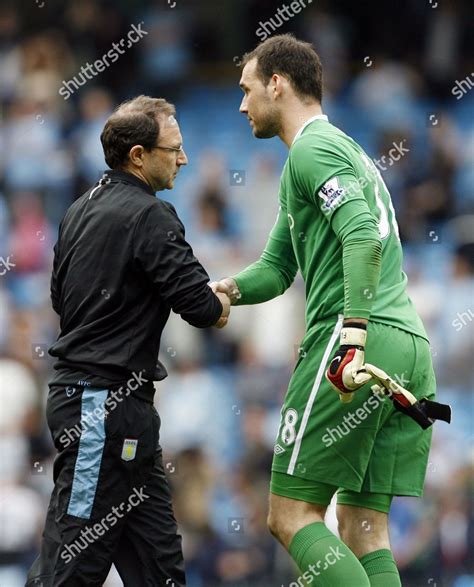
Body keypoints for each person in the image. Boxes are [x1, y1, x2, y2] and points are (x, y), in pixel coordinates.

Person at [212, 35, 436, 587]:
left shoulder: (313, 150)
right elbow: (276, 269)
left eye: (247, 90)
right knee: (364, 532)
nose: (241, 105)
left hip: (354, 338)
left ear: (278, 84)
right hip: (407, 348)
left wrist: (353, 337)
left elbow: (362, 236)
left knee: (289, 515)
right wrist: (227, 291)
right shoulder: (333, 154)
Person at [26, 95, 230, 587]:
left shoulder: (78, 210)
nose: (183, 158)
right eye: (173, 149)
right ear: (138, 155)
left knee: (161, 570)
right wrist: (223, 301)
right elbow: (201, 309)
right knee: (72, 568)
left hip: (115, 409)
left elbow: (60, 297)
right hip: (102, 409)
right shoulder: (152, 216)